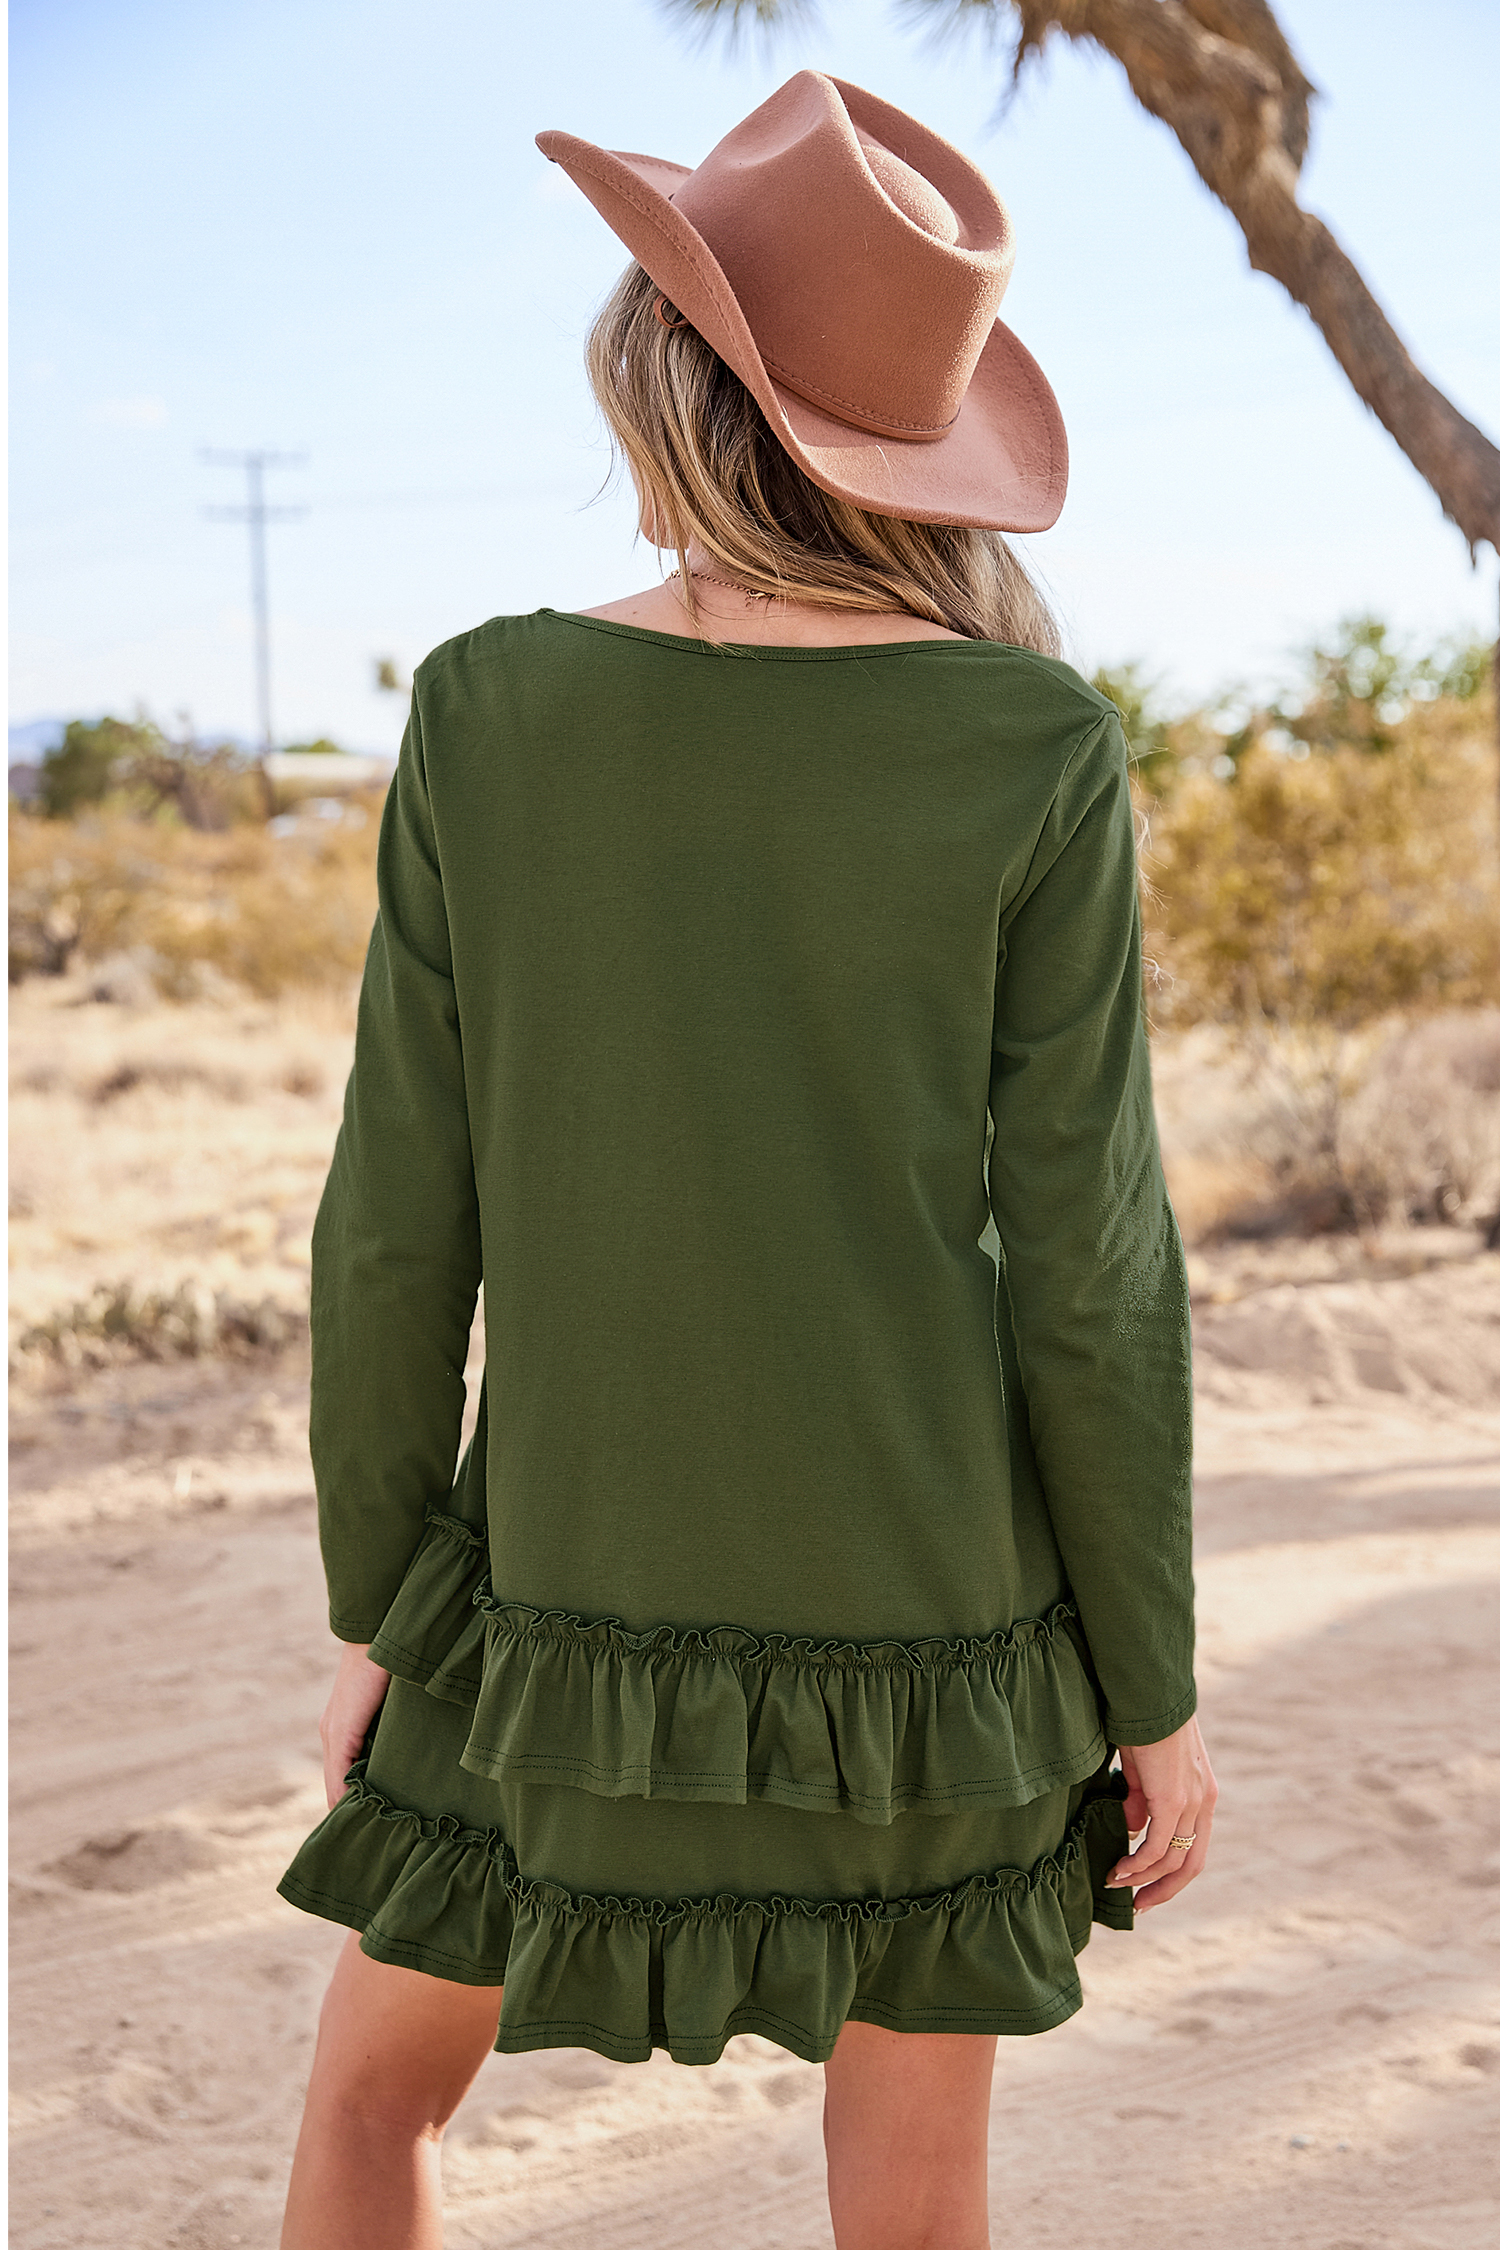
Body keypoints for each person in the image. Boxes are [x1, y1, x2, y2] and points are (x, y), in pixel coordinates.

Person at [276, 70, 1216, 2250]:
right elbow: (1092, 1271)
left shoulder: (486, 710)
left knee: (370, 2108)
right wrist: (1149, 1685)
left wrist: (380, 1601)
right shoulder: (1034, 742)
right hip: (934, 1634)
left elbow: (396, 1224)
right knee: (913, 2202)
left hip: (554, 1602)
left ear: (666, 380)